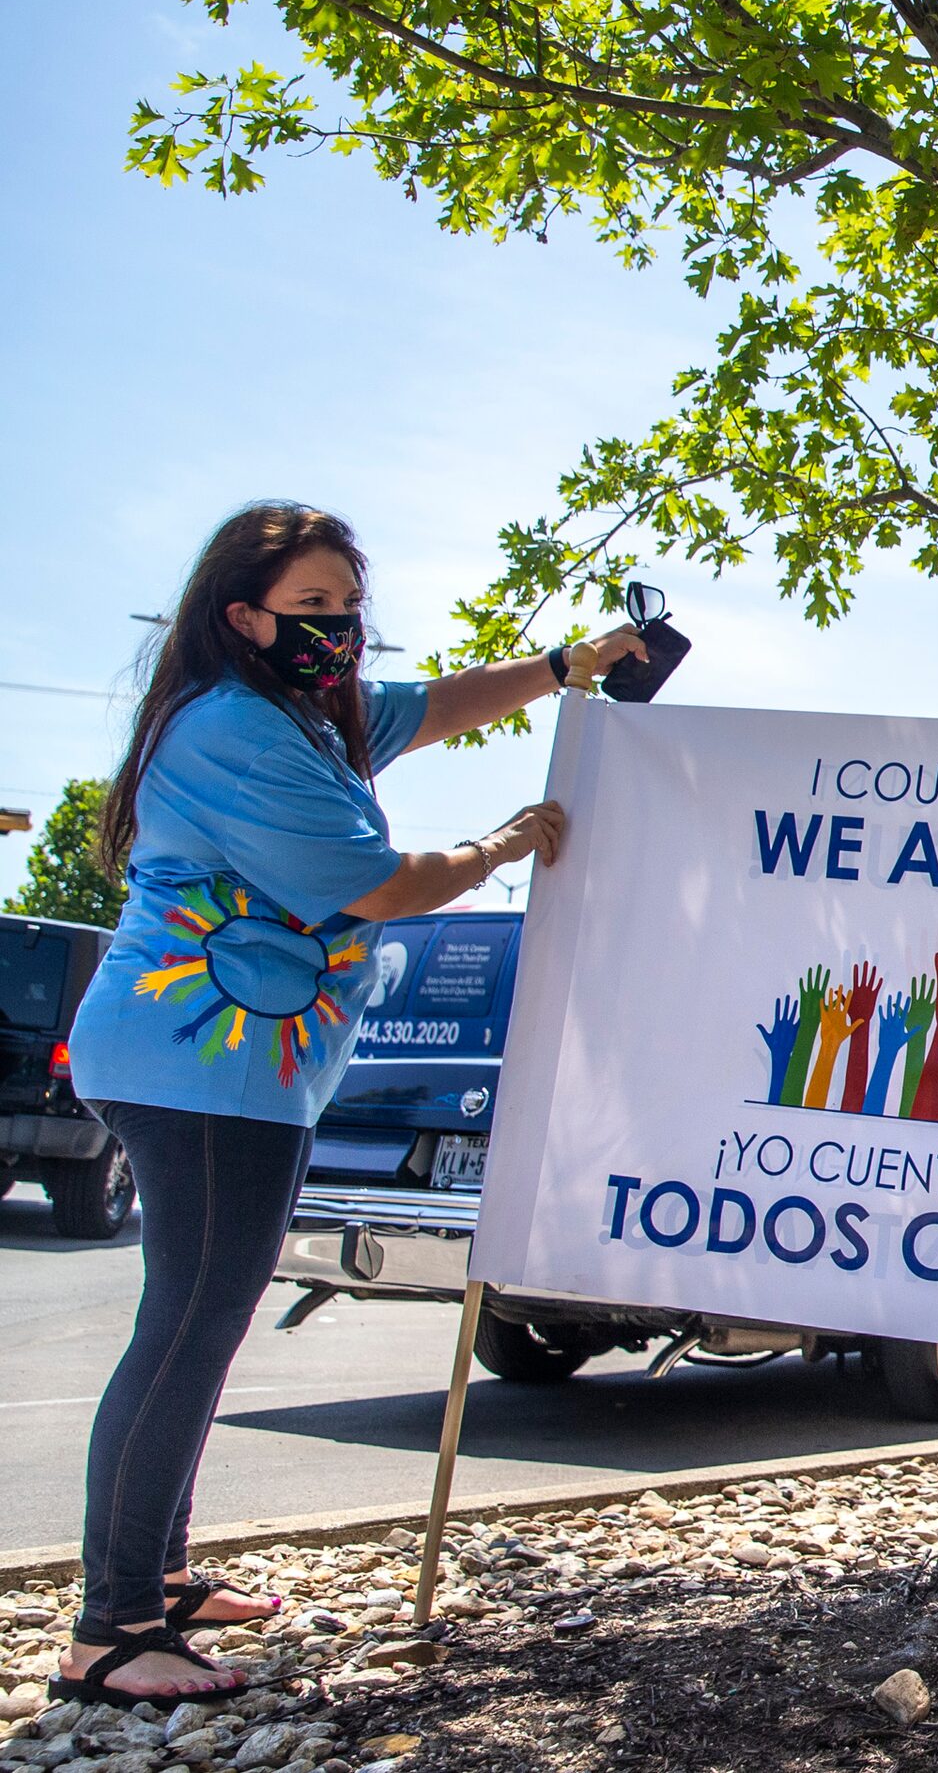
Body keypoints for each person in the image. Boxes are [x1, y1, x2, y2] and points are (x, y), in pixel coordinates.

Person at [54, 503, 645, 1707]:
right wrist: (499, 846)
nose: (338, 633)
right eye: (311, 611)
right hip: (196, 1067)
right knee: (186, 1327)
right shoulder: (236, 734)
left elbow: (431, 706)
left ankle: (157, 1581)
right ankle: (111, 1631)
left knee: (201, 1322)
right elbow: (381, 886)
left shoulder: (302, 716)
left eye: (346, 609)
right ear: (241, 618)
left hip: (240, 1069)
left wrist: (558, 670)